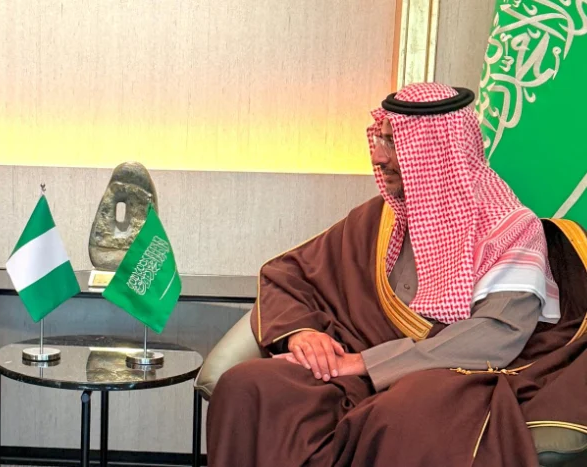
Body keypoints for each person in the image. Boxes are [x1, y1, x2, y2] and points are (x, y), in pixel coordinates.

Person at [206, 83, 587, 466]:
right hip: (354, 366)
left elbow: (496, 335)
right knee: (248, 386)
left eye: (394, 143)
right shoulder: (380, 218)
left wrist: (367, 363)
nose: (378, 156)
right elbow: (289, 274)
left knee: (401, 416)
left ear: (436, 149)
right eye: (381, 139)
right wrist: (303, 334)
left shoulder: (510, 228)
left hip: (450, 373)